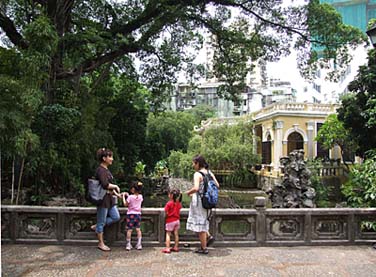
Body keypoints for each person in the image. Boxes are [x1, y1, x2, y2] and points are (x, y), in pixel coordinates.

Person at [186, 154, 220, 254]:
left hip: (199, 202)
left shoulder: (197, 174)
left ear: (198, 163)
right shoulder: (209, 173)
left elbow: (196, 188)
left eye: (194, 163)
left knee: (200, 224)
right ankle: (208, 237)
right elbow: (217, 185)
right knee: (203, 222)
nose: (193, 165)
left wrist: (188, 192)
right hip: (208, 201)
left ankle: (204, 248)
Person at [92, 148, 121, 252]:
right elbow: (105, 185)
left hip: (109, 199)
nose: (112, 159)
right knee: (101, 221)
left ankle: (98, 226)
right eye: (110, 157)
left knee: (116, 216)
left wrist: (117, 194)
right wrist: (116, 186)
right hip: (102, 200)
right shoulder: (100, 170)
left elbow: (109, 187)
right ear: (104, 158)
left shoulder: (106, 170)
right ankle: (101, 243)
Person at [122, 181, 143, 251]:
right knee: (138, 229)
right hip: (138, 215)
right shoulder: (140, 196)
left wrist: (123, 197)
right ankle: (139, 244)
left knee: (129, 230)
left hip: (131, 215)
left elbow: (126, 204)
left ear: (133, 189)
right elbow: (135, 199)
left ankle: (128, 244)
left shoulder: (130, 197)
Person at [162, 189, 182, 254]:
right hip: (177, 220)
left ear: (171, 195)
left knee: (168, 234)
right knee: (176, 234)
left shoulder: (169, 203)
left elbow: (166, 211)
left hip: (170, 220)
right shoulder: (178, 203)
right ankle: (176, 247)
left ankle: (167, 248)